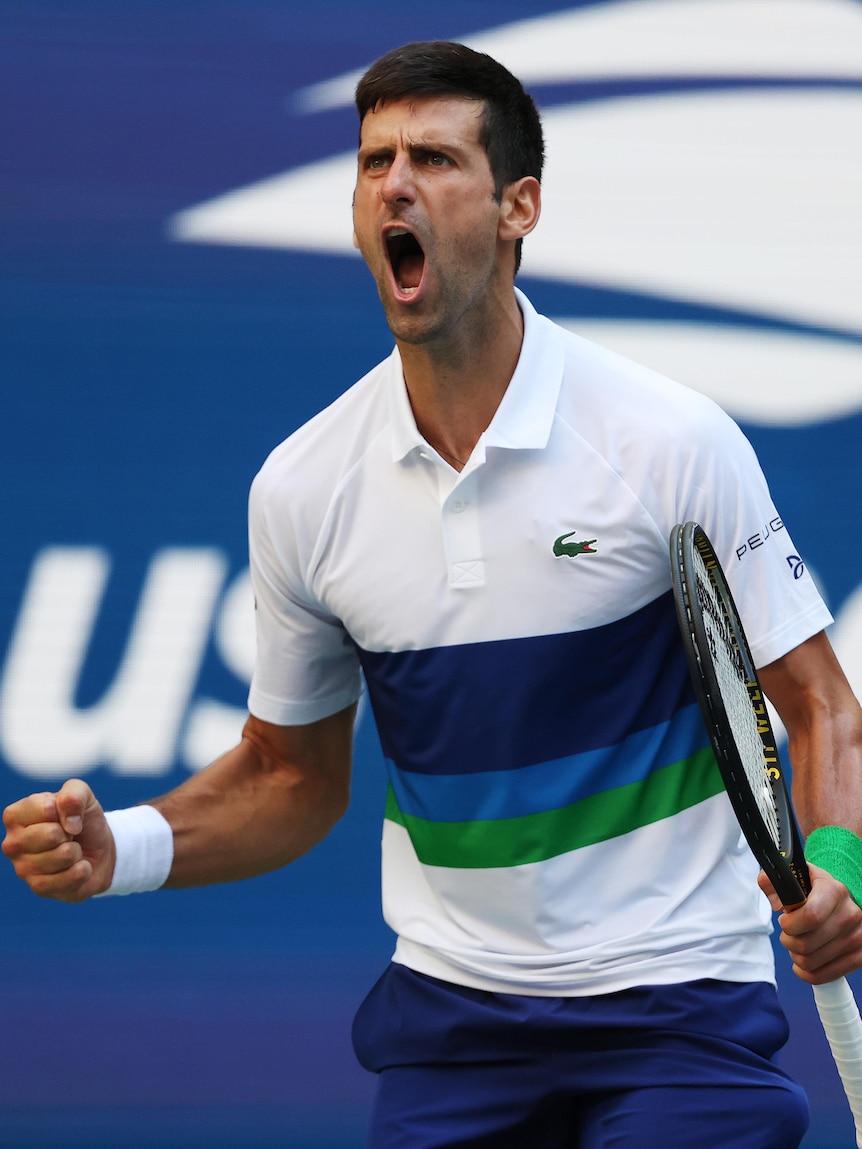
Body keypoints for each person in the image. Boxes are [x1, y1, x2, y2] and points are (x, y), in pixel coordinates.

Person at [4, 40, 862, 1149]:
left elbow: (819, 706)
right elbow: (287, 777)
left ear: (519, 206)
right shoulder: (304, 488)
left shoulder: (668, 441)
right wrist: (125, 850)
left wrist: (836, 866)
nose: (395, 185)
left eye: (435, 159)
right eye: (374, 162)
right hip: (453, 1024)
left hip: (674, 1005)